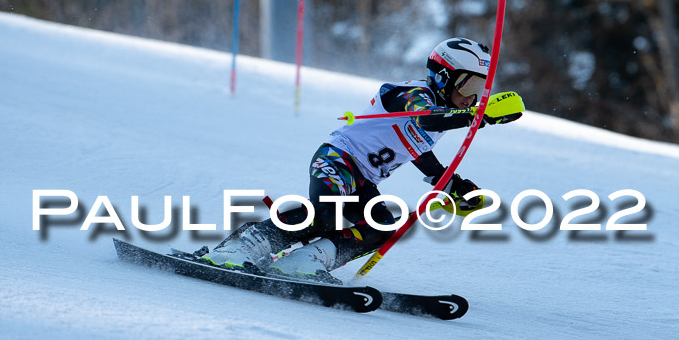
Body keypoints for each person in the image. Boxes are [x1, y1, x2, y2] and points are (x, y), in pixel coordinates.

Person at [204, 37, 522, 283]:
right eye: (470, 85)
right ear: (443, 76)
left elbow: (420, 152)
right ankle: (245, 245)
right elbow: (427, 119)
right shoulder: (410, 94)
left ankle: (306, 262)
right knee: (327, 212)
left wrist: (453, 186)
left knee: (382, 227)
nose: (473, 96)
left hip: (363, 180)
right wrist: (479, 116)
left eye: (482, 89)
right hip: (338, 159)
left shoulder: (445, 116)